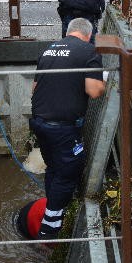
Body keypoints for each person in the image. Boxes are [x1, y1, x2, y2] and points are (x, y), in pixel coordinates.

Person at [29, 17, 106, 240]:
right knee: (68, 172)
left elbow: (35, 88)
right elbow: (93, 91)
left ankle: (51, 208)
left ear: (69, 32)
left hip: (40, 123)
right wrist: (103, 81)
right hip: (62, 128)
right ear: (88, 35)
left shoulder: (49, 50)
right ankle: (49, 230)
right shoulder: (89, 52)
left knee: (53, 167)